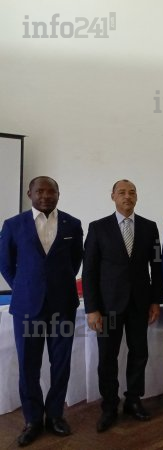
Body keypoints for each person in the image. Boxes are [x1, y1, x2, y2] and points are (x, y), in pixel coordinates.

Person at [0, 176, 83, 446]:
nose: (46, 196)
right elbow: (5, 263)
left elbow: (75, 261)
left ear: (59, 194)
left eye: (51, 191)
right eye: (40, 191)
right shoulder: (13, 225)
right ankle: (33, 419)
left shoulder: (73, 224)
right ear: (30, 194)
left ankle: (55, 416)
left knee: (60, 363)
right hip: (27, 307)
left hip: (63, 306)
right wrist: (25, 286)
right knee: (28, 365)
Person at [82, 180, 163, 432]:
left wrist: (155, 300)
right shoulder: (98, 227)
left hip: (139, 304)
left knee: (139, 354)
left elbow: (157, 267)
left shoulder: (149, 227)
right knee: (108, 357)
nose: (127, 196)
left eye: (132, 192)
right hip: (107, 307)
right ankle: (109, 405)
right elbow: (89, 271)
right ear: (113, 197)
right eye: (122, 192)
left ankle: (133, 400)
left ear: (136, 197)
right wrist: (92, 309)